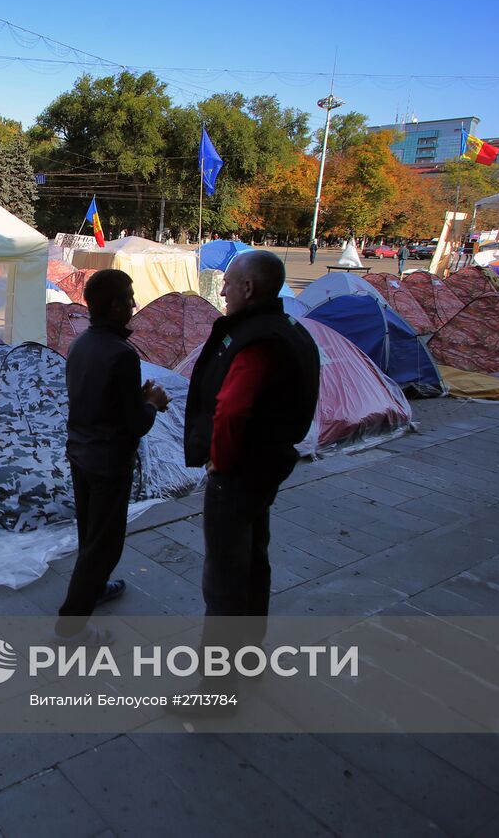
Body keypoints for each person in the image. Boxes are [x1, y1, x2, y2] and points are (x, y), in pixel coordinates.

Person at [176, 251, 320, 711]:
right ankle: (250, 657)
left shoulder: (257, 342)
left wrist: (219, 460)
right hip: (267, 466)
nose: (222, 291)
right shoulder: (289, 330)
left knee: (223, 580)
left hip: (239, 472)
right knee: (254, 559)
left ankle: (215, 692)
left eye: (229, 283)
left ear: (250, 289)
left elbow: (232, 411)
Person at [58, 269, 169, 644]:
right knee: (104, 545)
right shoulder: (122, 354)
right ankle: (71, 626)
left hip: (81, 455)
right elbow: (136, 424)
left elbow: (99, 402)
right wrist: (152, 403)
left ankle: (96, 588)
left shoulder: (81, 345)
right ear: (113, 305)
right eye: (129, 297)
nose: (134, 304)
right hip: (108, 464)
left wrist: (133, 398)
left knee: (90, 533)